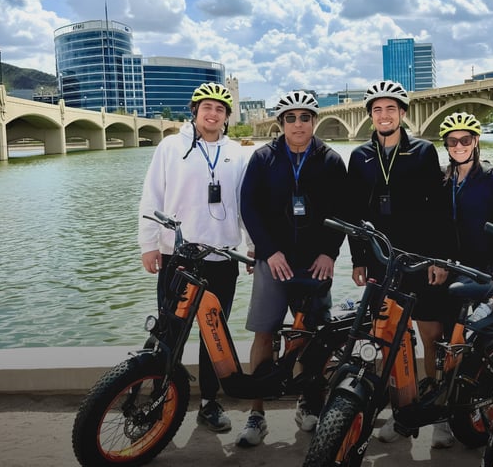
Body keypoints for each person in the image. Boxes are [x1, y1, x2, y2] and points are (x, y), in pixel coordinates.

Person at [137, 82, 251, 433]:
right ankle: (157, 401)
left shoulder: (237, 153)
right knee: (169, 333)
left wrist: (252, 245)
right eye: (207, 108)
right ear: (195, 111)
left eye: (220, 109)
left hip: (222, 258)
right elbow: (152, 196)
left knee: (214, 335)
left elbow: (245, 204)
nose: (213, 114)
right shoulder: (171, 147)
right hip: (179, 256)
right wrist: (148, 244)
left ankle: (209, 403)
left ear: (227, 116)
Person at [345, 80, 452, 448]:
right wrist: (358, 259)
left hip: (420, 261)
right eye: (377, 110)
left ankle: (438, 414)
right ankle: (399, 411)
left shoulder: (422, 151)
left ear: (403, 113)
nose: (384, 115)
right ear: (370, 116)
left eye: (391, 108)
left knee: (432, 337)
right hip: (380, 262)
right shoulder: (359, 156)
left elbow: (438, 210)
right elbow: (354, 214)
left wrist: (438, 258)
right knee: (386, 339)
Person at [236, 91, 348, 448]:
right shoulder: (263, 158)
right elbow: (248, 206)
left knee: (313, 337)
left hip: (315, 264)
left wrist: (330, 252)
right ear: (281, 122)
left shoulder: (331, 160)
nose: (298, 124)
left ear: (314, 121)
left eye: (305, 117)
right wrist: (269, 251)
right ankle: (256, 413)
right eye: (290, 118)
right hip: (273, 262)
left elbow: (343, 211)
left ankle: (309, 402)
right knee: (264, 333)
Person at [439, 111, 493, 306]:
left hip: (483, 270)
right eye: (452, 141)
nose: (459, 146)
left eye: (465, 140)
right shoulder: (443, 177)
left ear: (475, 141)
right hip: (450, 266)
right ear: (446, 144)